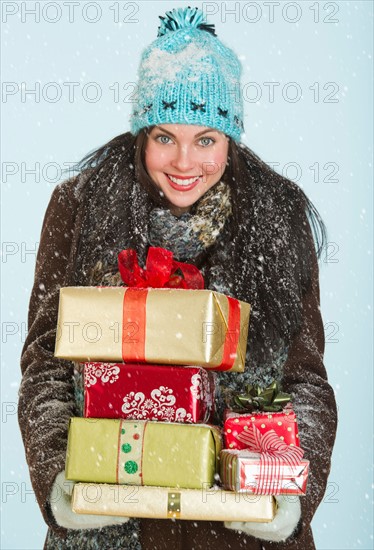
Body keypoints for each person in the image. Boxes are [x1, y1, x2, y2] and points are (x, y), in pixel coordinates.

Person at [18, 7, 337, 550]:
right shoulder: (80, 207)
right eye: (165, 136)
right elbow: (47, 360)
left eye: (207, 139)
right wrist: (56, 477)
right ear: (142, 133)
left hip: (237, 533)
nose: (185, 162)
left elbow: (304, 379)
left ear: (231, 137)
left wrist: (290, 494)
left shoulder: (277, 217)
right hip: (113, 516)